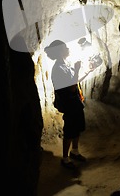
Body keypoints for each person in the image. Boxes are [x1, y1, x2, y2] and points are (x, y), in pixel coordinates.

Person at [44, 39, 95, 169]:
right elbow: (71, 88)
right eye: (65, 47)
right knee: (70, 129)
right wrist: (77, 69)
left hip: (75, 101)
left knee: (77, 126)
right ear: (60, 51)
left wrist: (87, 72)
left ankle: (75, 151)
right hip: (69, 103)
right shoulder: (58, 68)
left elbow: (75, 81)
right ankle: (65, 158)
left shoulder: (65, 65)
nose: (68, 49)